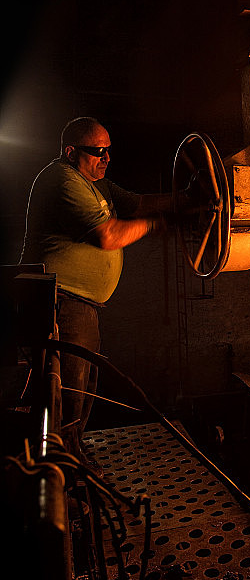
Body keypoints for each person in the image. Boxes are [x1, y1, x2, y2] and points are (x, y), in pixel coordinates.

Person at [20, 116, 172, 468]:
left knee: (80, 391)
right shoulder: (62, 179)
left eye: (108, 151)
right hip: (60, 304)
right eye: (97, 152)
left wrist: (186, 199)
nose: (106, 159)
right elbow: (107, 236)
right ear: (71, 152)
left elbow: (137, 204)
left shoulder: (96, 184)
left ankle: (70, 461)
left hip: (80, 307)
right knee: (65, 396)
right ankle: (60, 478)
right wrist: (158, 225)